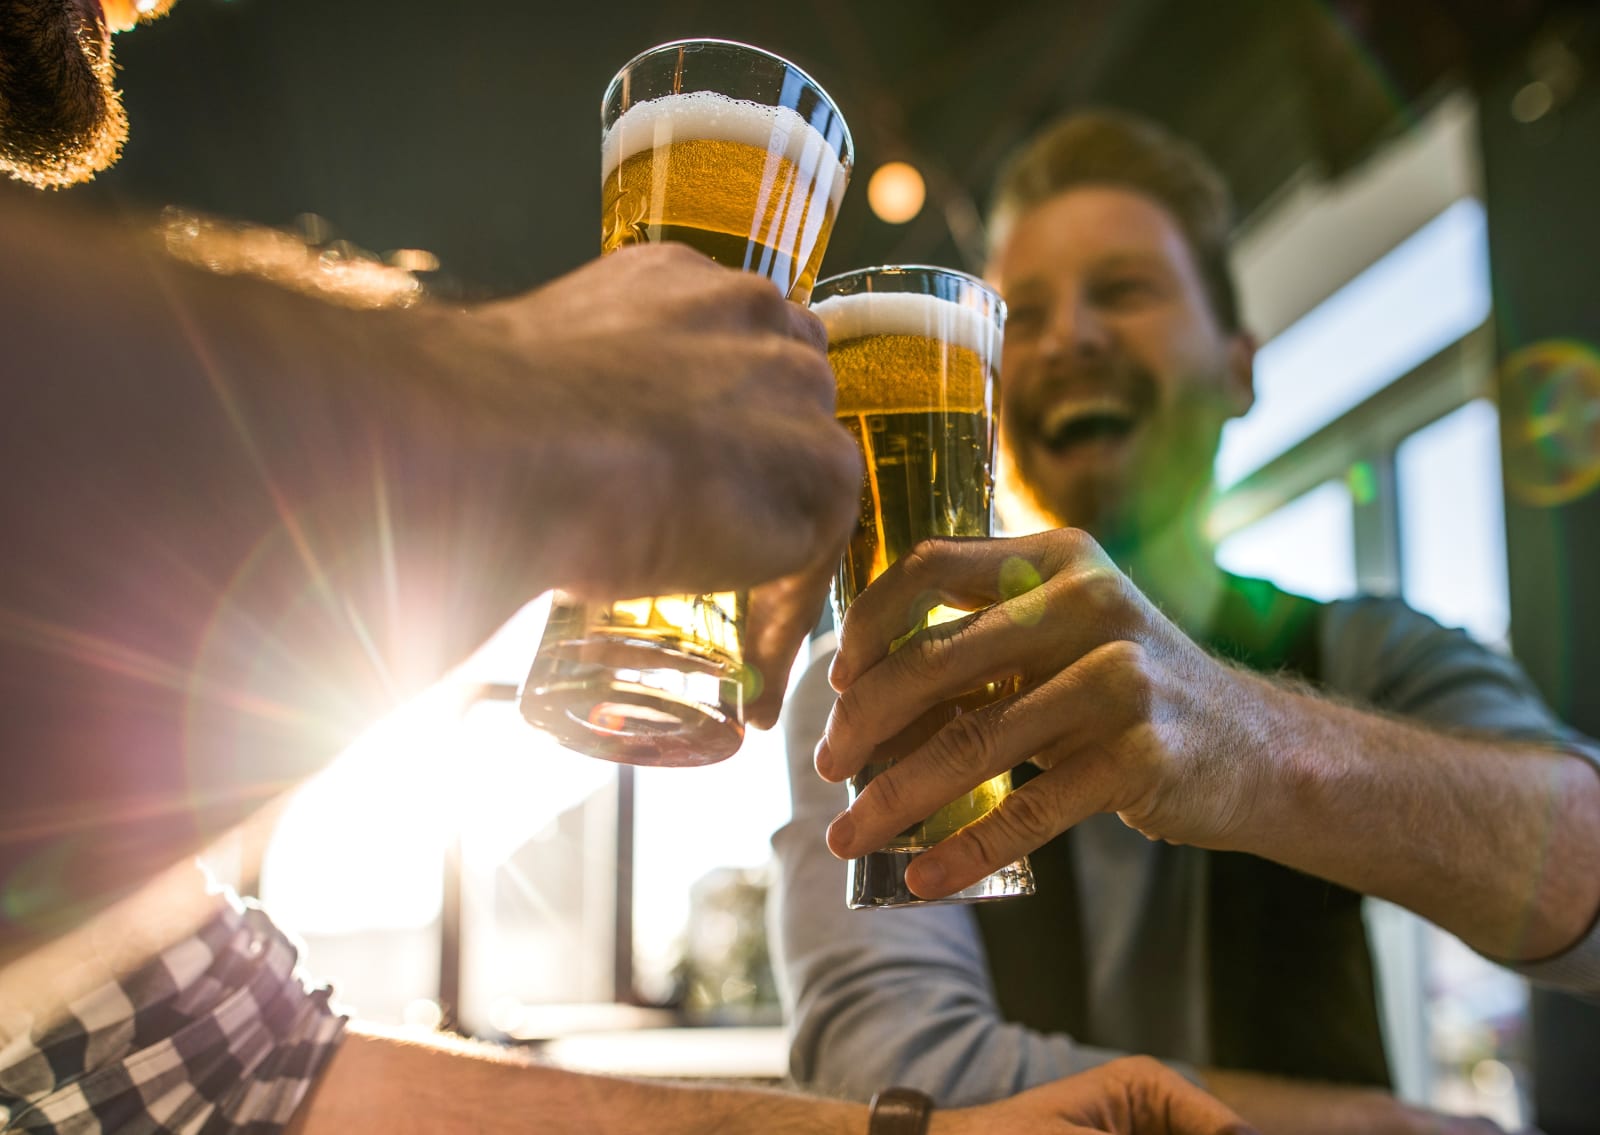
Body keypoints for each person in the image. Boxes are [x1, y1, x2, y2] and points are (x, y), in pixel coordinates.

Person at [0, 3, 1257, 1132]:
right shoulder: (847, 688)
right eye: (1025, 310)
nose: (143, 4)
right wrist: (546, 415)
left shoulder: (1362, 655)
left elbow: (238, 1071)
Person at [773, 110, 1600, 1134]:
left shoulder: (1372, 651)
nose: (1069, 337)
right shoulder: (879, 675)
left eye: (1121, 292)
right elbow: (884, 1067)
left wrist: (1256, 744)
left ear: (1239, 367)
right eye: (1021, 315)